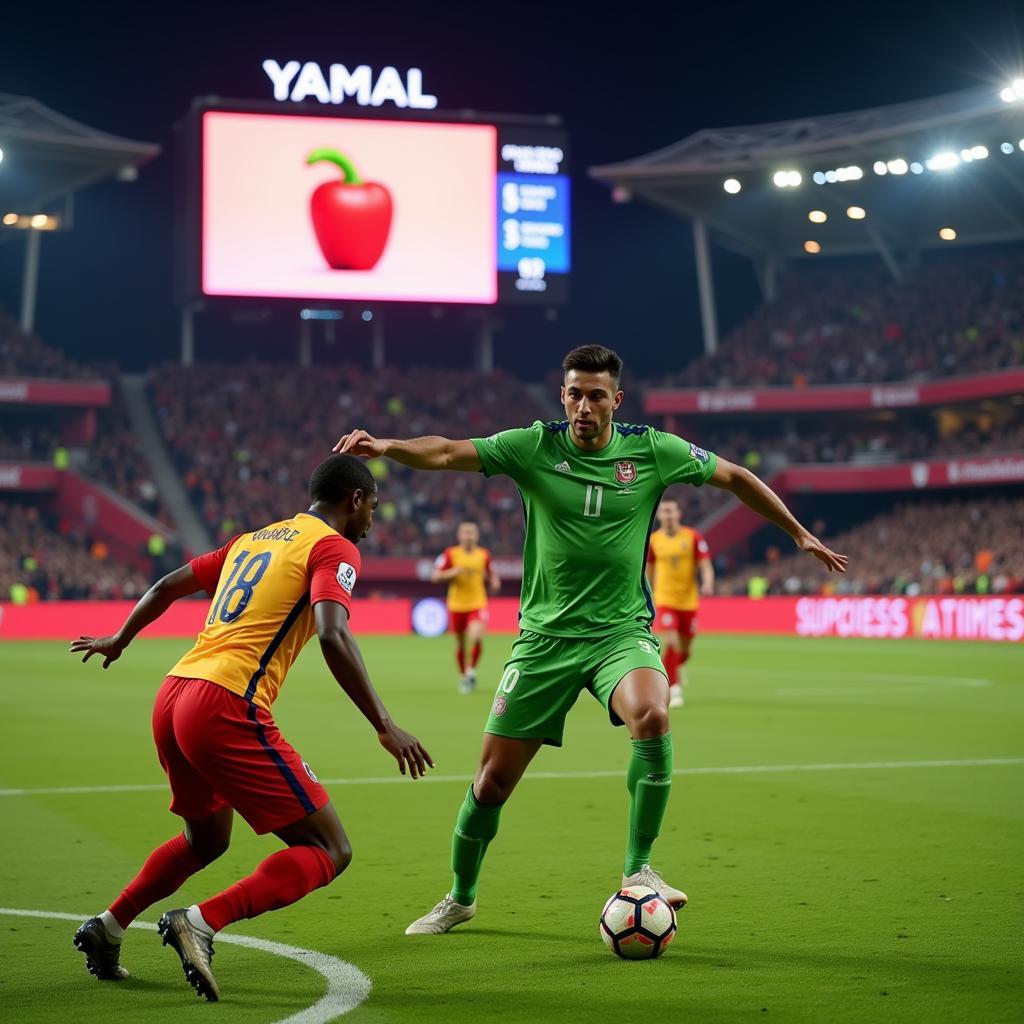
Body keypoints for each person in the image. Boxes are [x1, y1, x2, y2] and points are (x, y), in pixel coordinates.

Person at [335, 344, 846, 935]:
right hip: (544, 641)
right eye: (574, 393)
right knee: (490, 784)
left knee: (652, 716)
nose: (583, 405)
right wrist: (388, 447)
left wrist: (800, 533)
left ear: (616, 400)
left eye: (596, 395)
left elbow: (734, 476)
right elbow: (450, 451)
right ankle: (461, 896)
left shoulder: (653, 450)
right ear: (562, 394)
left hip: (619, 634)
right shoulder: (534, 446)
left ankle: (639, 870)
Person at [69, 455, 432, 1001]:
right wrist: (384, 724)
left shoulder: (252, 539)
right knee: (329, 849)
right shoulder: (334, 547)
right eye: (373, 508)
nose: (373, 521)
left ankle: (109, 926)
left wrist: (120, 639)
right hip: (225, 703)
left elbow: (168, 583)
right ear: (354, 500)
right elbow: (333, 633)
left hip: (173, 695)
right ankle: (201, 921)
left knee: (205, 840)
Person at [646, 498, 714, 708]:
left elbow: (705, 565)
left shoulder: (692, 537)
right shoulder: (653, 541)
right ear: (659, 516)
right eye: (664, 511)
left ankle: (673, 670)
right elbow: (648, 571)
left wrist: (708, 583)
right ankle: (673, 689)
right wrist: (647, 594)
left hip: (688, 601)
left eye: (671, 511)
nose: (667, 515)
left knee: (685, 651)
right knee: (672, 643)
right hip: (665, 599)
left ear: (678, 514)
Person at [431, 520, 501, 693]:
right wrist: (451, 573)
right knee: (461, 644)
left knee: (476, 636)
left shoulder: (484, 555)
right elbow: (435, 576)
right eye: (465, 532)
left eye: (472, 532)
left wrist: (494, 581)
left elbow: (490, 574)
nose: (468, 536)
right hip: (456, 605)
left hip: (477, 603)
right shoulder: (450, 554)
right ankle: (464, 676)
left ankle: (470, 671)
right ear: (459, 535)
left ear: (477, 536)